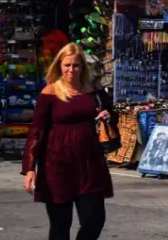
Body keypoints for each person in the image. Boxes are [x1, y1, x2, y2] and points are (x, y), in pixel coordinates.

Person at [22, 43, 114, 240]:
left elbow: (111, 112)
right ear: (59, 66)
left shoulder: (94, 90)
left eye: (76, 65)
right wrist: (30, 168)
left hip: (89, 163)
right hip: (56, 164)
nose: (71, 70)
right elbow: (36, 132)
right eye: (67, 65)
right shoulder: (50, 92)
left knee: (94, 219)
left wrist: (107, 114)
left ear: (83, 67)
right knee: (60, 225)